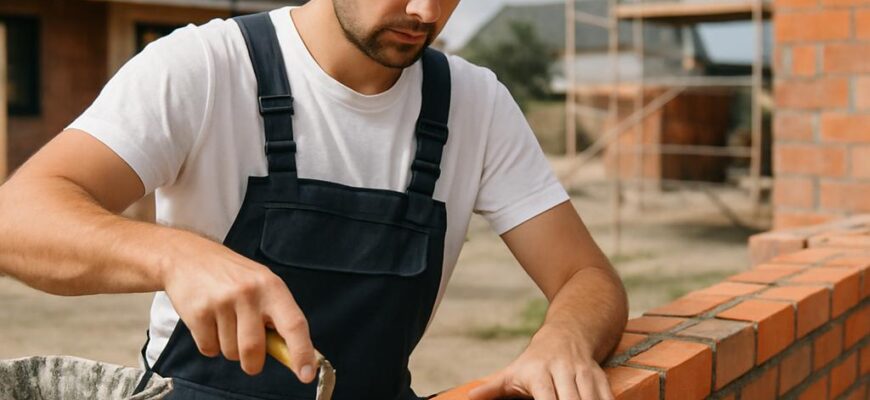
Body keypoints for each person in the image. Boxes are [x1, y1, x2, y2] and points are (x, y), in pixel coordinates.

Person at [0, 1, 628, 399]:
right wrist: (175, 256)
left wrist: (564, 339)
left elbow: (587, 276)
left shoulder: (477, 105)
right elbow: (17, 219)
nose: (425, 11)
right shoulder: (206, 67)